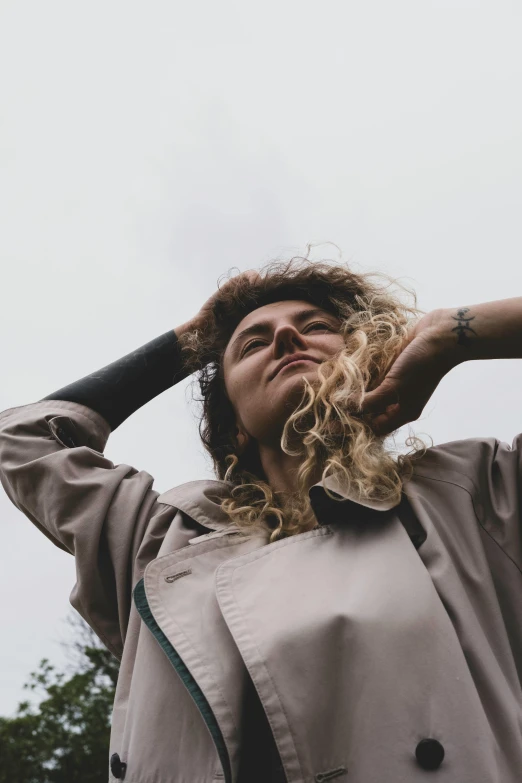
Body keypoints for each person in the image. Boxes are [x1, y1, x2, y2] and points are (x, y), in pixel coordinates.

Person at [0, 256, 521, 783]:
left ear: (371, 360)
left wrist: (448, 336)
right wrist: (196, 339)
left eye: (317, 326)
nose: (287, 337)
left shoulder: (476, 493)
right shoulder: (157, 541)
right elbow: (21, 440)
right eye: (252, 344)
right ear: (236, 427)